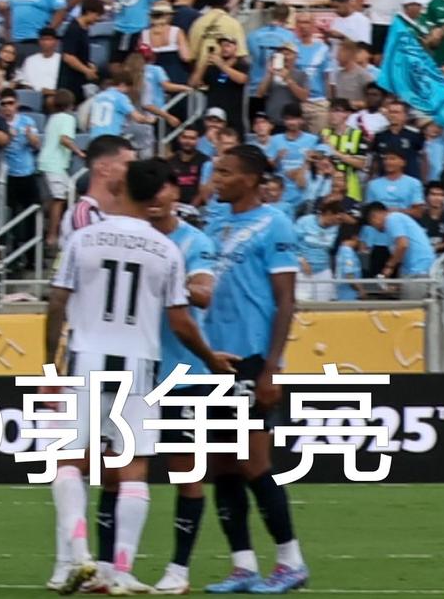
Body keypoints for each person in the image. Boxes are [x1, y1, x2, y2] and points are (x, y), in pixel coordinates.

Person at [57, 152, 211, 596]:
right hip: (142, 365)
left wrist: (50, 361)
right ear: (156, 195)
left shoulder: (84, 238)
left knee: (72, 461)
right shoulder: (165, 248)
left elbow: (55, 301)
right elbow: (181, 317)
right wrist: (212, 356)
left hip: (87, 357)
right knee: (131, 469)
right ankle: (120, 569)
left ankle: (83, 557)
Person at [167, 141, 304, 595]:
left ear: (249, 177)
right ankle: (243, 566)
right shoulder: (216, 223)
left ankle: (290, 560)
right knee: (223, 465)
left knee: (253, 461)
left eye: (224, 172)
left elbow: (286, 299)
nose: (216, 179)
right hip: (214, 360)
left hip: (251, 358)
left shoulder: (275, 223)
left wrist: (271, 368)